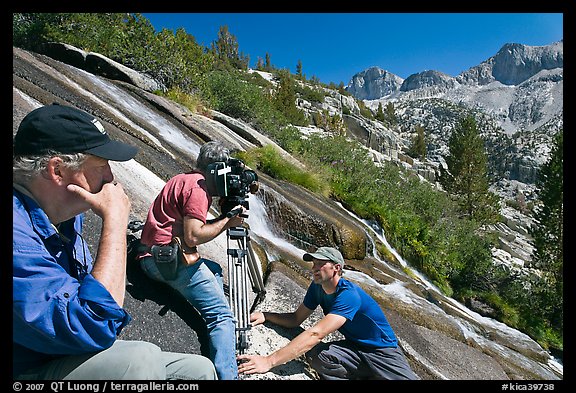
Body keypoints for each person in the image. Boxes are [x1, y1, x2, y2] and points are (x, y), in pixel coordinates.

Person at [13, 103, 217, 380]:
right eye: (101, 166)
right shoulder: (17, 237)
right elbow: (92, 325)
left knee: (198, 370)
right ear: (57, 170)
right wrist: (115, 223)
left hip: (62, 351)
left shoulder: (65, 217)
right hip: (28, 365)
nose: (111, 178)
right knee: (137, 362)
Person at [137, 141, 249, 380]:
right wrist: (228, 222)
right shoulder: (199, 189)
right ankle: (228, 376)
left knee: (215, 269)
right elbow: (194, 235)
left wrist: (222, 216)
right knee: (222, 317)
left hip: (149, 255)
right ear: (216, 168)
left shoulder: (182, 179)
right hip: (167, 263)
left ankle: (214, 323)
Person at [237, 246, 418, 380]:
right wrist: (266, 316)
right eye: (314, 263)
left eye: (321, 264)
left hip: (382, 351)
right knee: (319, 357)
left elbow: (316, 333)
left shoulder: (349, 295)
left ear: (336, 268)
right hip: (355, 347)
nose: (314, 268)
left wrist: (269, 361)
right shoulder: (317, 288)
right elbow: (295, 319)